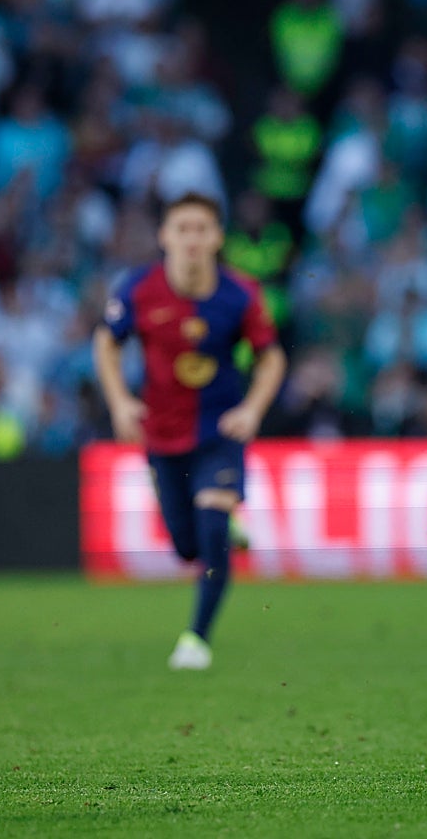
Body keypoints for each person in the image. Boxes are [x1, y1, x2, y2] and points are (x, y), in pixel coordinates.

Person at [93, 192, 286, 670]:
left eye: (202, 229)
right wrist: (119, 401)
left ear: (218, 237)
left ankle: (196, 638)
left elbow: (271, 357)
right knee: (186, 546)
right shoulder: (138, 289)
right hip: (161, 434)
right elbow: (106, 341)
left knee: (212, 526)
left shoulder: (240, 293)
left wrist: (252, 409)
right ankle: (218, 529)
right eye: (182, 229)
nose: (192, 240)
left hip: (219, 431)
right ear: (164, 237)